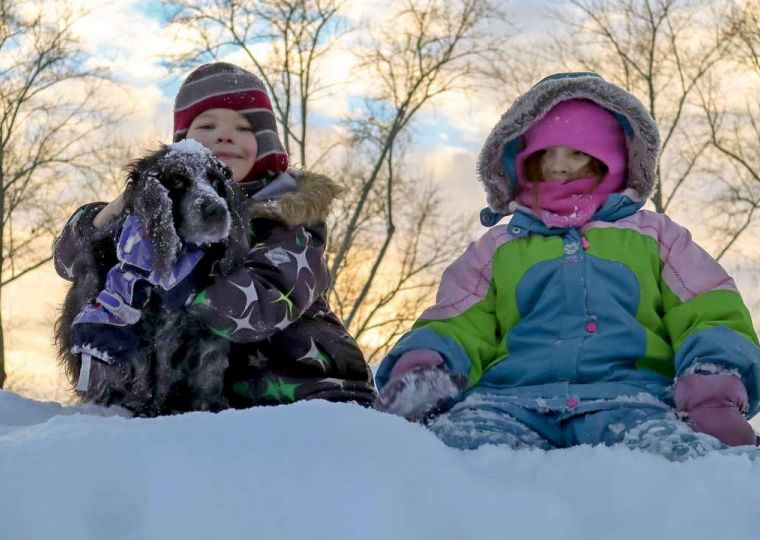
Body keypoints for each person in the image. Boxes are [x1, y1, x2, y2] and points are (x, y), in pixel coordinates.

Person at [373, 72, 760, 460]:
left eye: (576, 153)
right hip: (507, 404)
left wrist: (714, 388)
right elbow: (458, 321)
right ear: (522, 161)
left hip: (632, 401)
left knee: (689, 464)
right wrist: (424, 367)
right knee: (446, 458)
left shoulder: (656, 238)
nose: (558, 166)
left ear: (610, 159)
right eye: (546, 153)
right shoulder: (498, 249)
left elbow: (707, 310)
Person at [54, 62, 376, 410]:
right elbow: (69, 261)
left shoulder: (289, 223)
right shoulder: (163, 217)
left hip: (313, 393)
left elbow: (265, 306)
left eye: (243, 127)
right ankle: (122, 392)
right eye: (208, 125)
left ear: (264, 144)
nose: (225, 135)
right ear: (183, 145)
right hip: (224, 407)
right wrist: (117, 212)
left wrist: (187, 283)